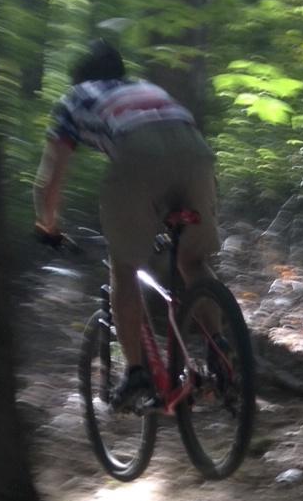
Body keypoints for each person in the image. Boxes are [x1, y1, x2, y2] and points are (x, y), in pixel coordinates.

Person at [33, 39, 220, 407]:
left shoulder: (76, 97)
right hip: (196, 151)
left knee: (124, 268)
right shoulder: (146, 88)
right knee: (193, 261)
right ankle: (223, 353)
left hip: (139, 153)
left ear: (80, 78)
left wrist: (48, 225)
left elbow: (50, 178)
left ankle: (136, 374)